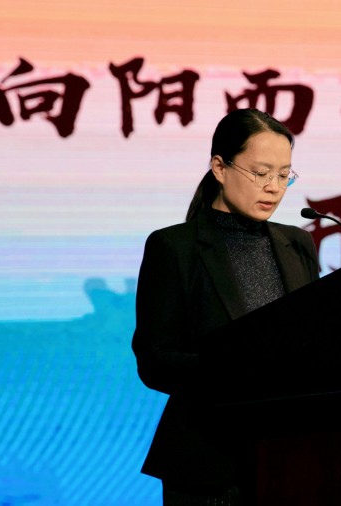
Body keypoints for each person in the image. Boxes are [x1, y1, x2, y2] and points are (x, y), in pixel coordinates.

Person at [132, 109, 320, 505]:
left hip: (294, 457)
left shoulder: (297, 244)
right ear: (220, 167)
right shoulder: (174, 247)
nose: (273, 187)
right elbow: (154, 360)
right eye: (261, 173)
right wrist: (237, 369)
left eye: (283, 175)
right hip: (210, 461)